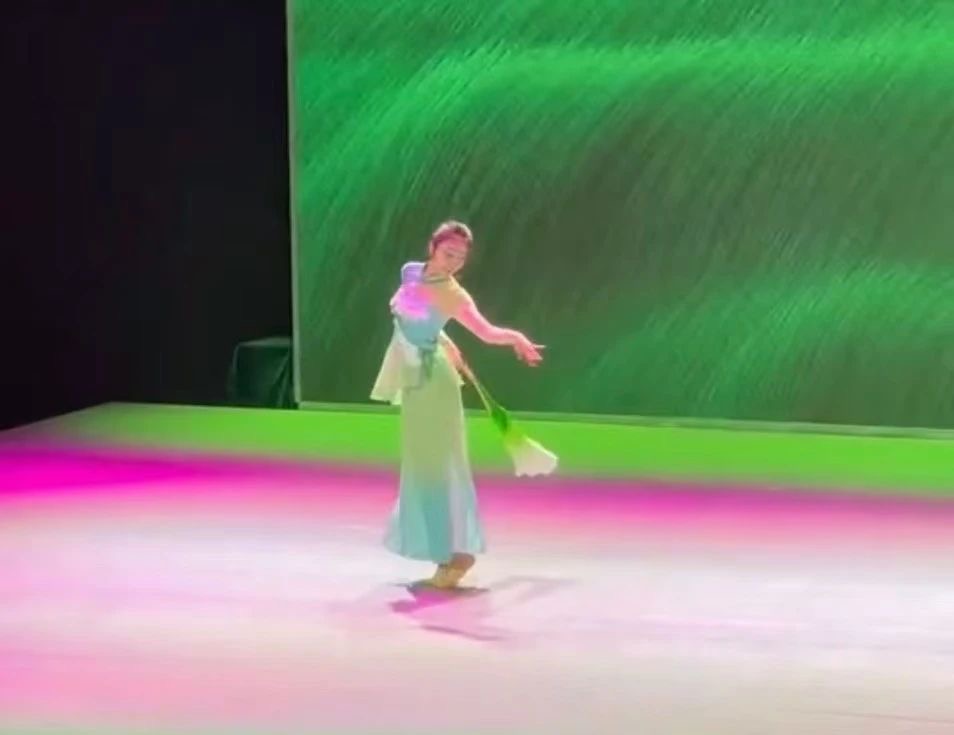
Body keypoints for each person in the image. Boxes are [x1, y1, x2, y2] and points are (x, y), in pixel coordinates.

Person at [371, 221, 544, 588]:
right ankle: (446, 553)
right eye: (448, 253)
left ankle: (455, 555)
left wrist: (516, 337)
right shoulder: (411, 272)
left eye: (460, 258)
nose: (452, 262)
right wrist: (445, 341)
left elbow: (487, 332)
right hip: (415, 380)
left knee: (437, 469)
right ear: (432, 247)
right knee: (421, 468)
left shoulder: (454, 294)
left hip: (434, 384)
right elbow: (418, 320)